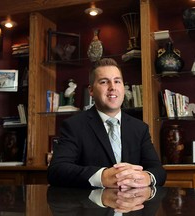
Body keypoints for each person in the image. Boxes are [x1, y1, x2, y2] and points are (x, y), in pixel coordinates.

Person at [47, 58, 166, 188]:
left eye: (117, 81)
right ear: (91, 90)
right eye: (104, 82)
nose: (112, 87)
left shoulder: (139, 128)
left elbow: (158, 170)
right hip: (92, 206)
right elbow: (56, 171)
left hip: (133, 205)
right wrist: (101, 177)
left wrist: (147, 177)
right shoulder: (74, 126)